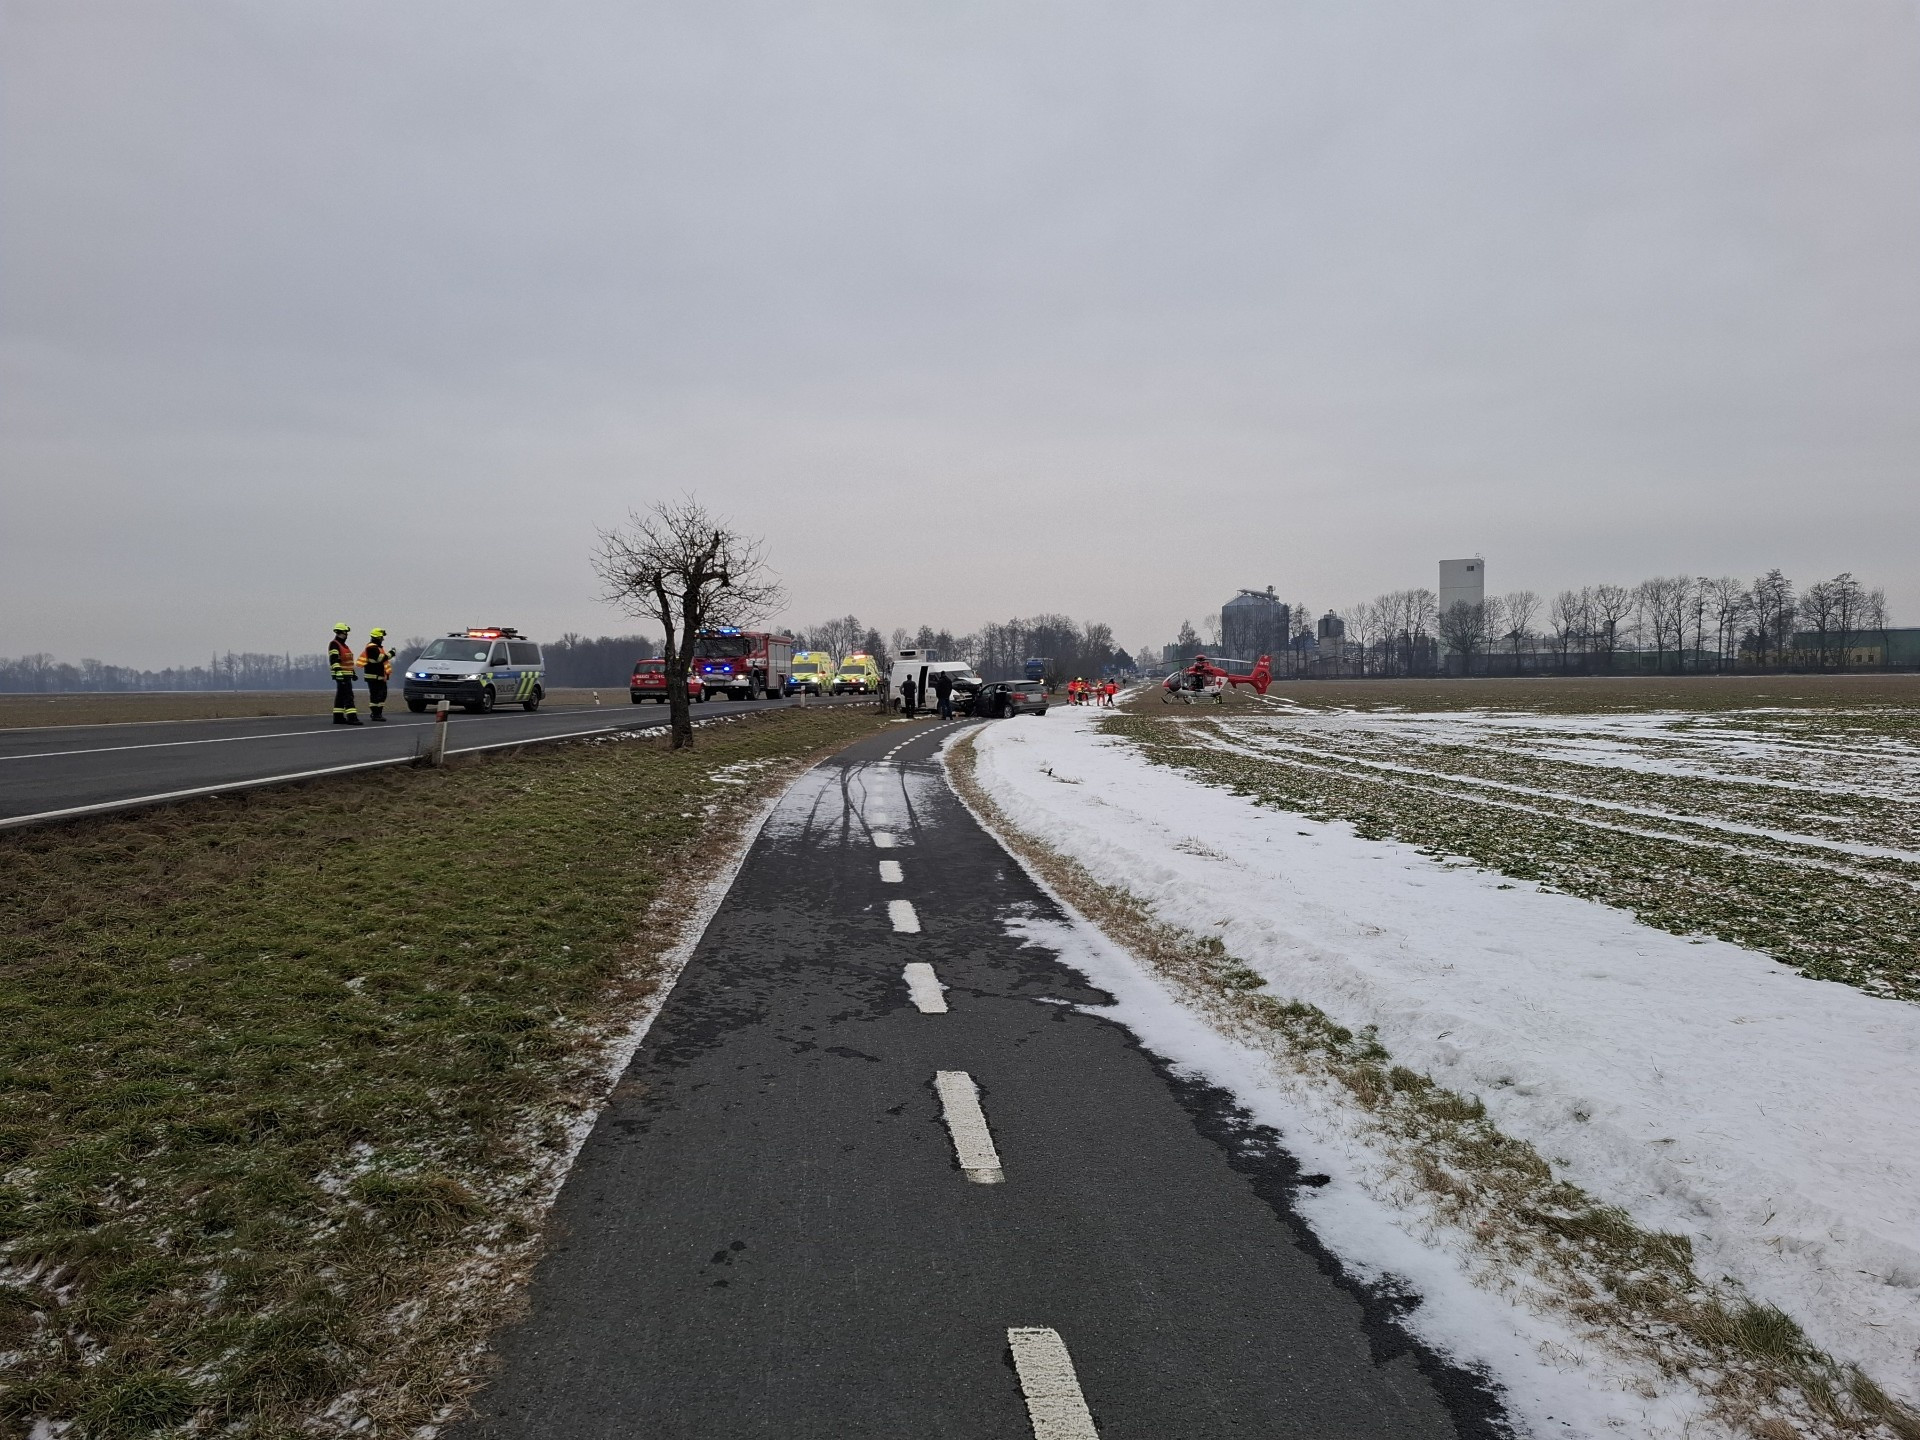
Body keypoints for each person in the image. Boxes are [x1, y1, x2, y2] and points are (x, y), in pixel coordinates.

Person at [328, 623, 361, 725]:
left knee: (341, 696)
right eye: (345, 632)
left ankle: (338, 718)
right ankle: (352, 718)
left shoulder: (344, 646)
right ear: (340, 632)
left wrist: (353, 673)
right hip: (342, 675)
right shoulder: (335, 644)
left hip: (346, 674)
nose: (347, 634)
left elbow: (347, 662)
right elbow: (334, 660)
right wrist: (338, 672)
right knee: (348, 696)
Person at [360, 627, 393, 722]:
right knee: (376, 696)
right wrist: (391, 654)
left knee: (382, 695)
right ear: (377, 637)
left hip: (379, 677)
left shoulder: (377, 647)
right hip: (373, 677)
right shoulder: (371, 647)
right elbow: (379, 659)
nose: (383, 639)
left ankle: (378, 713)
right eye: (382, 637)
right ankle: (376, 714)